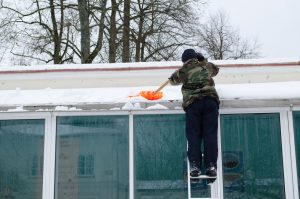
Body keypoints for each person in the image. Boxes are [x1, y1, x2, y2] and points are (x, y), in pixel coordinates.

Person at [169, 49, 219, 178]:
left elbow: (172, 80)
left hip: (194, 104)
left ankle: (195, 166)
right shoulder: (206, 66)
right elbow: (216, 70)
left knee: (194, 136)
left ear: (184, 60)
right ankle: (211, 165)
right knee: (210, 135)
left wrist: (183, 67)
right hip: (210, 102)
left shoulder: (184, 71)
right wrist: (203, 61)